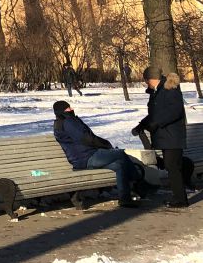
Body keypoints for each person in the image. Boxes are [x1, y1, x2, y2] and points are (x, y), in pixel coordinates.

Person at [53, 100, 149, 207]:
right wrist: (105, 144)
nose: (71, 109)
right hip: (88, 157)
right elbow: (87, 139)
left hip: (82, 158)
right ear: (61, 111)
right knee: (121, 153)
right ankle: (139, 183)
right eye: (68, 108)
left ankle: (125, 198)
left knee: (119, 165)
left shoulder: (63, 122)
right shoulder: (69, 122)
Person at [133, 67, 190, 208]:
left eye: (145, 80)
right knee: (172, 165)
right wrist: (142, 125)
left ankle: (180, 200)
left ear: (150, 79)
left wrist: (156, 123)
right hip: (166, 136)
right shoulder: (157, 91)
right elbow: (155, 114)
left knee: (172, 166)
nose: (145, 83)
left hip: (172, 135)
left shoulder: (169, 89)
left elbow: (175, 111)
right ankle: (180, 195)